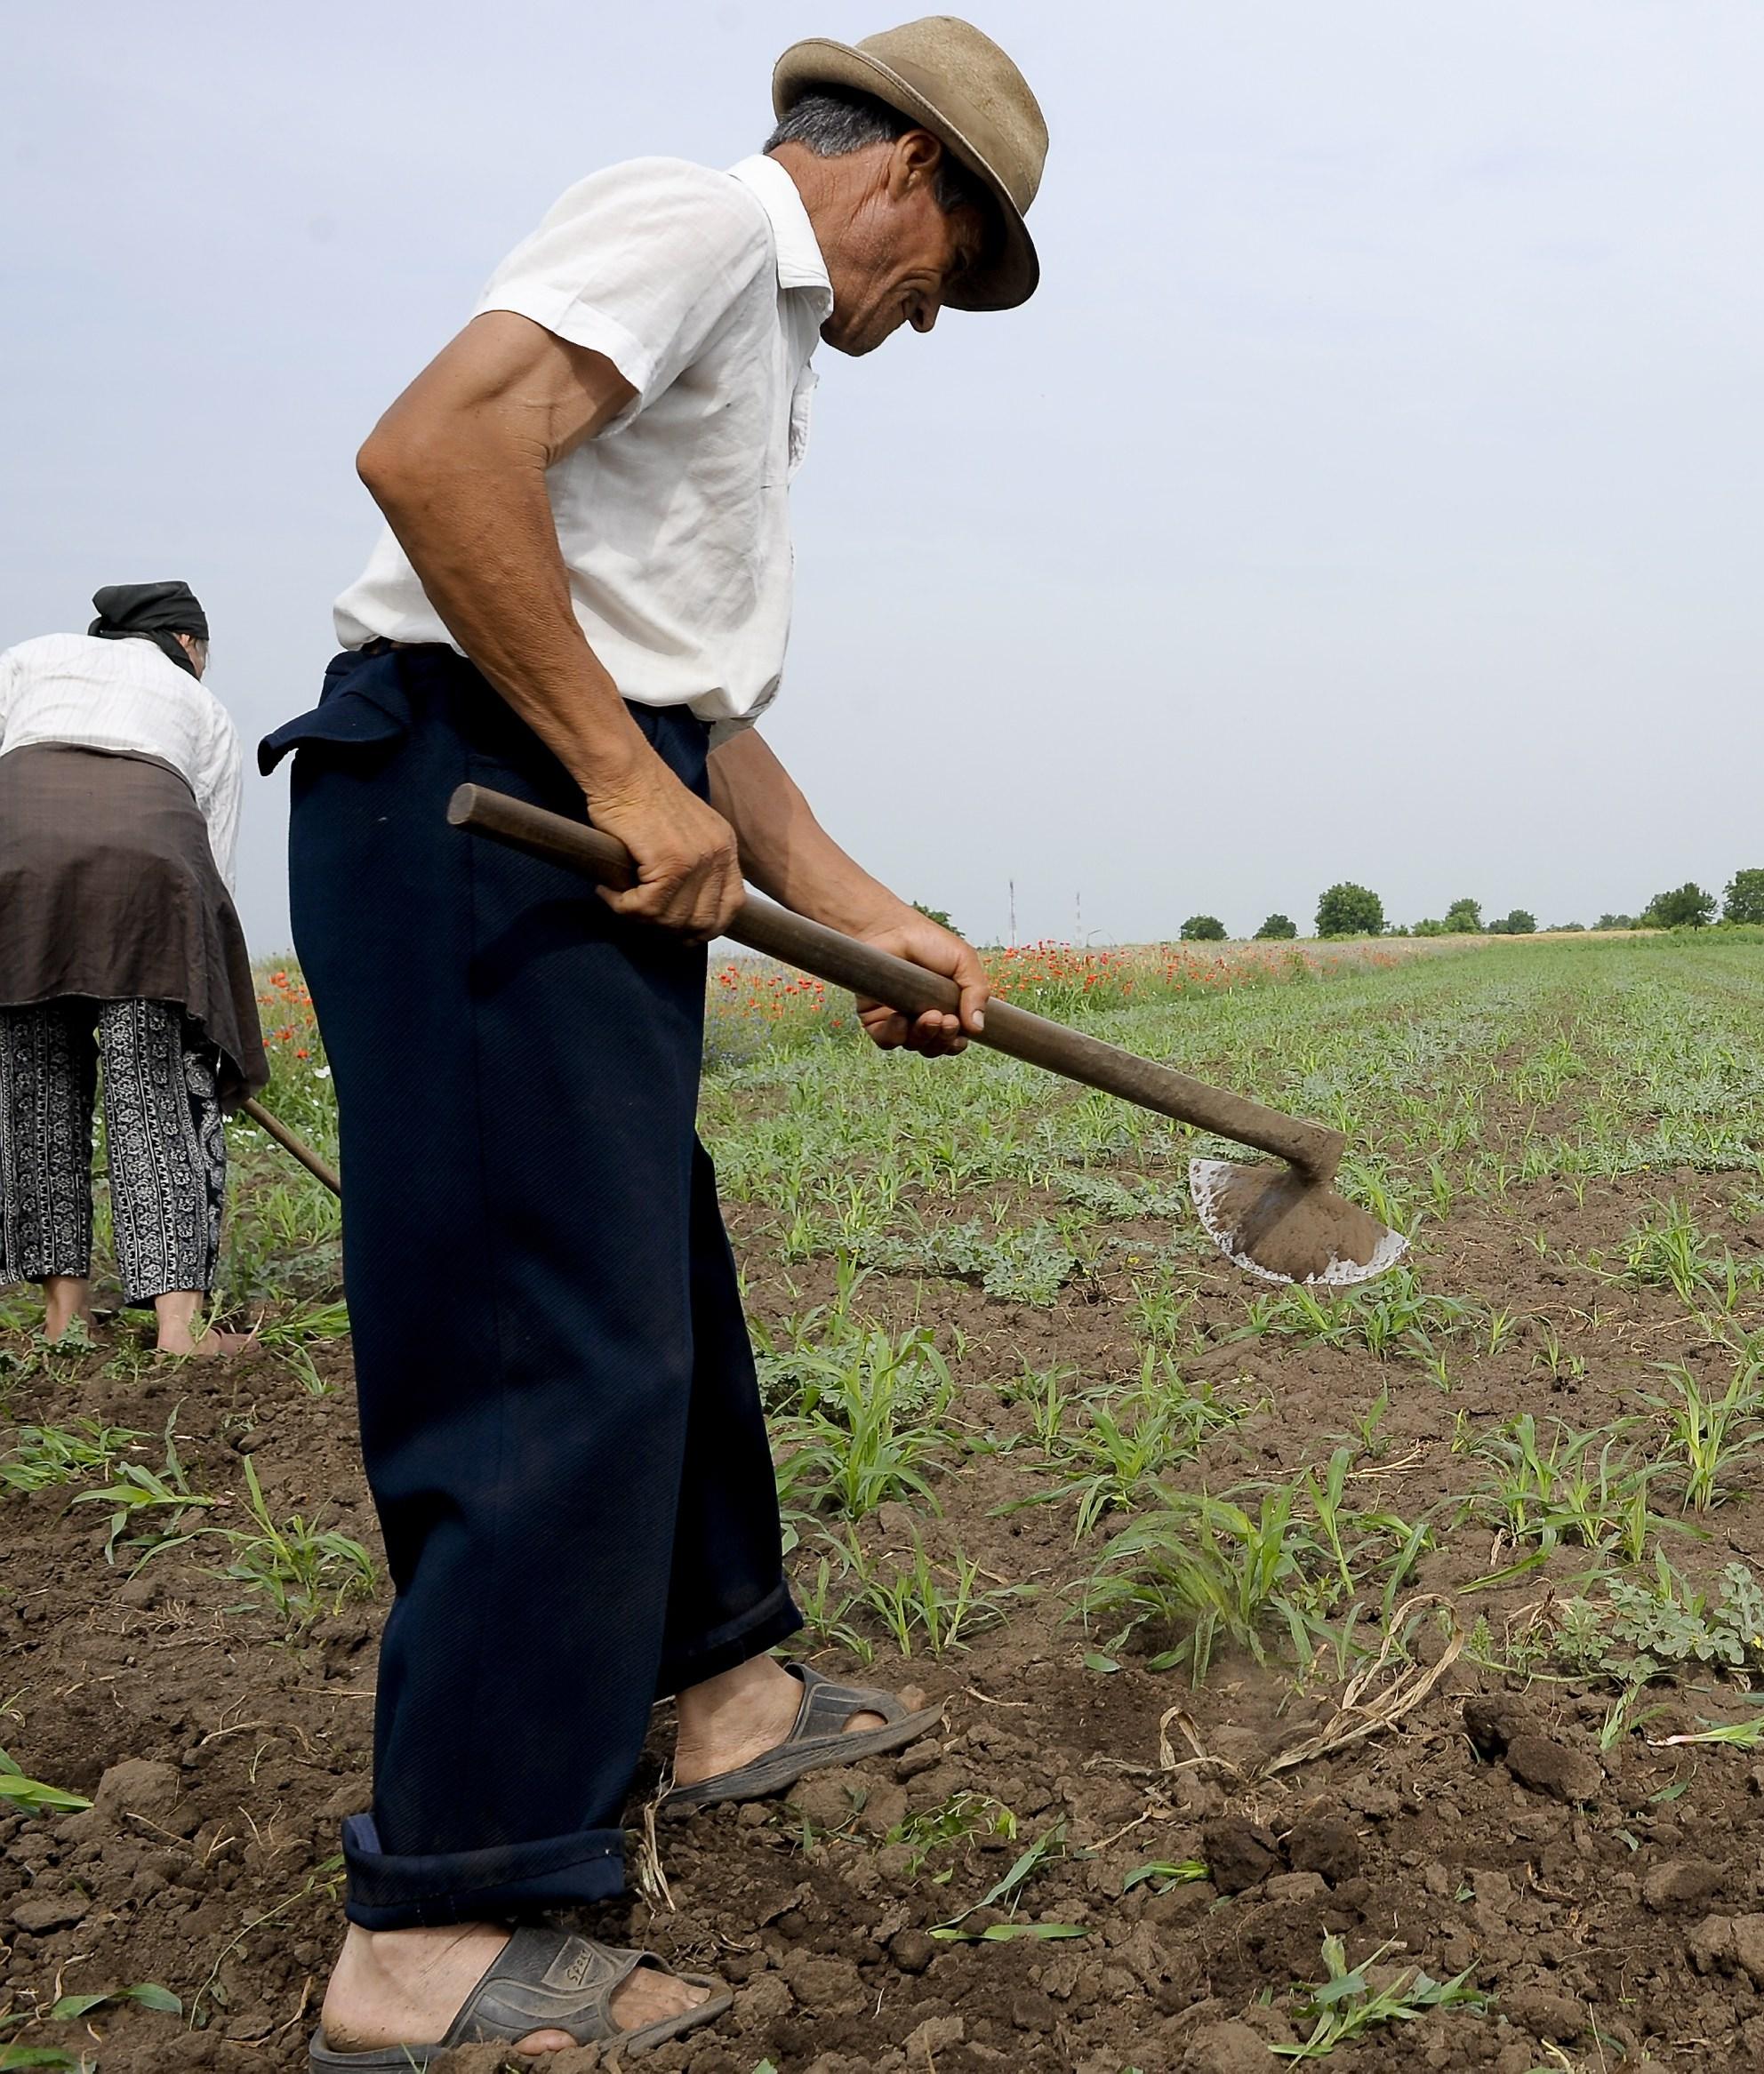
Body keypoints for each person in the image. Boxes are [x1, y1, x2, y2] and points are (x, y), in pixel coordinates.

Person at [259, 20, 1048, 2064]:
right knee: (546, 1337)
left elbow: (681, 695)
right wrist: (614, 765)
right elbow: (435, 453)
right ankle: (432, 1938)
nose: (926, 317)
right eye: (945, 277)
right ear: (909, 184)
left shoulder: (754, 336)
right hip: (466, 802)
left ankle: (726, 1691)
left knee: (642, 1276)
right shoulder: (698, 221)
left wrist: (861, 916)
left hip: (559, 798)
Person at [0, 581, 265, 1357]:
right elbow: (214, 867)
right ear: (186, 644)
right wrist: (211, 1013)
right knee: (154, 1093)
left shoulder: (29, 660)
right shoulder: (201, 707)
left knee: (38, 1092)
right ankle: (180, 1329)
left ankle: (63, 1319)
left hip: (15, 876)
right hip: (150, 892)